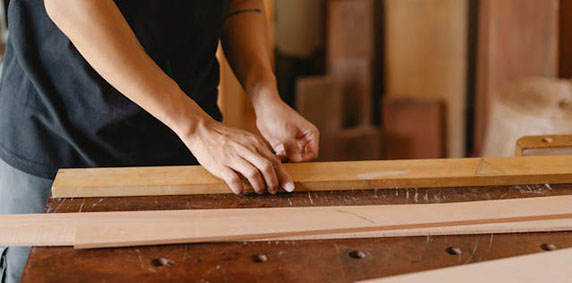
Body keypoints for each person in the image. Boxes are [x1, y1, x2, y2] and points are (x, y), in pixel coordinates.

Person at [0, 0, 319, 282]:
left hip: (185, 144)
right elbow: (72, 6)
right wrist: (196, 128)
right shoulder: (196, 129)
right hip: (62, 143)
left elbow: (239, 4)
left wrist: (264, 95)